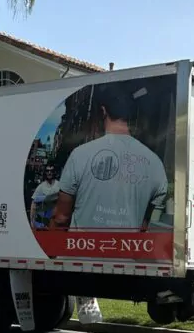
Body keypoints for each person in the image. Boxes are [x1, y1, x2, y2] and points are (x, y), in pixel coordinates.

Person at [52, 86, 168, 231]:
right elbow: (144, 224)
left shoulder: (80, 154)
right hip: (126, 251)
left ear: (103, 111)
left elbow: (61, 217)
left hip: (81, 250)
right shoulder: (155, 163)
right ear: (132, 115)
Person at [29, 165, 61, 229]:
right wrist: (32, 221)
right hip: (43, 224)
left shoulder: (59, 185)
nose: (49, 172)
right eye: (47, 171)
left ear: (54, 172)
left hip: (57, 222)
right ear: (45, 172)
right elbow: (33, 204)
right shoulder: (41, 187)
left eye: (51, 171)